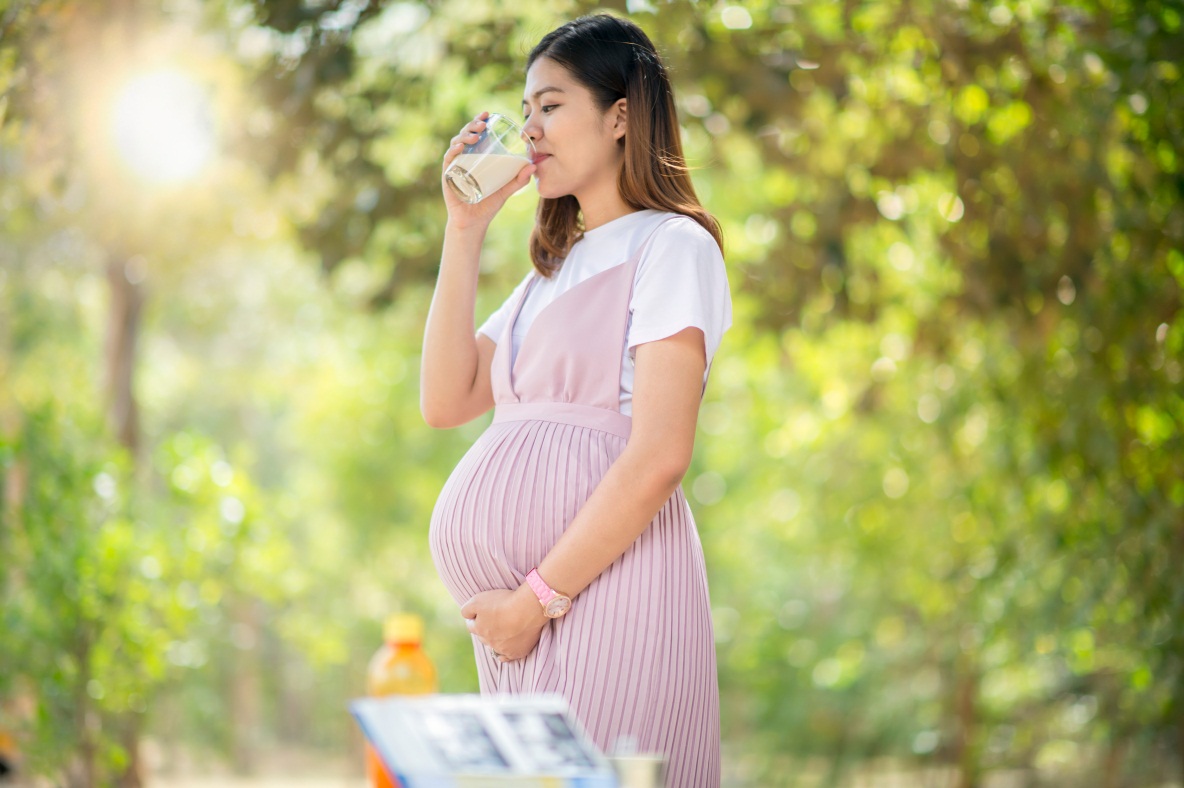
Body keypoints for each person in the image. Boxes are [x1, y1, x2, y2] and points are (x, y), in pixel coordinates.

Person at [421, 14, 731, 787]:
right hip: (524, 628)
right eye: (524, 115)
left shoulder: (672, 245)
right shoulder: (548, 275)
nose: (530, 131)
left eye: (550, 106)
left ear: (621, 113)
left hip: (603, 592)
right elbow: (445, 397)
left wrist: (535, 600)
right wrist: (464, 230)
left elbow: (659, 456)